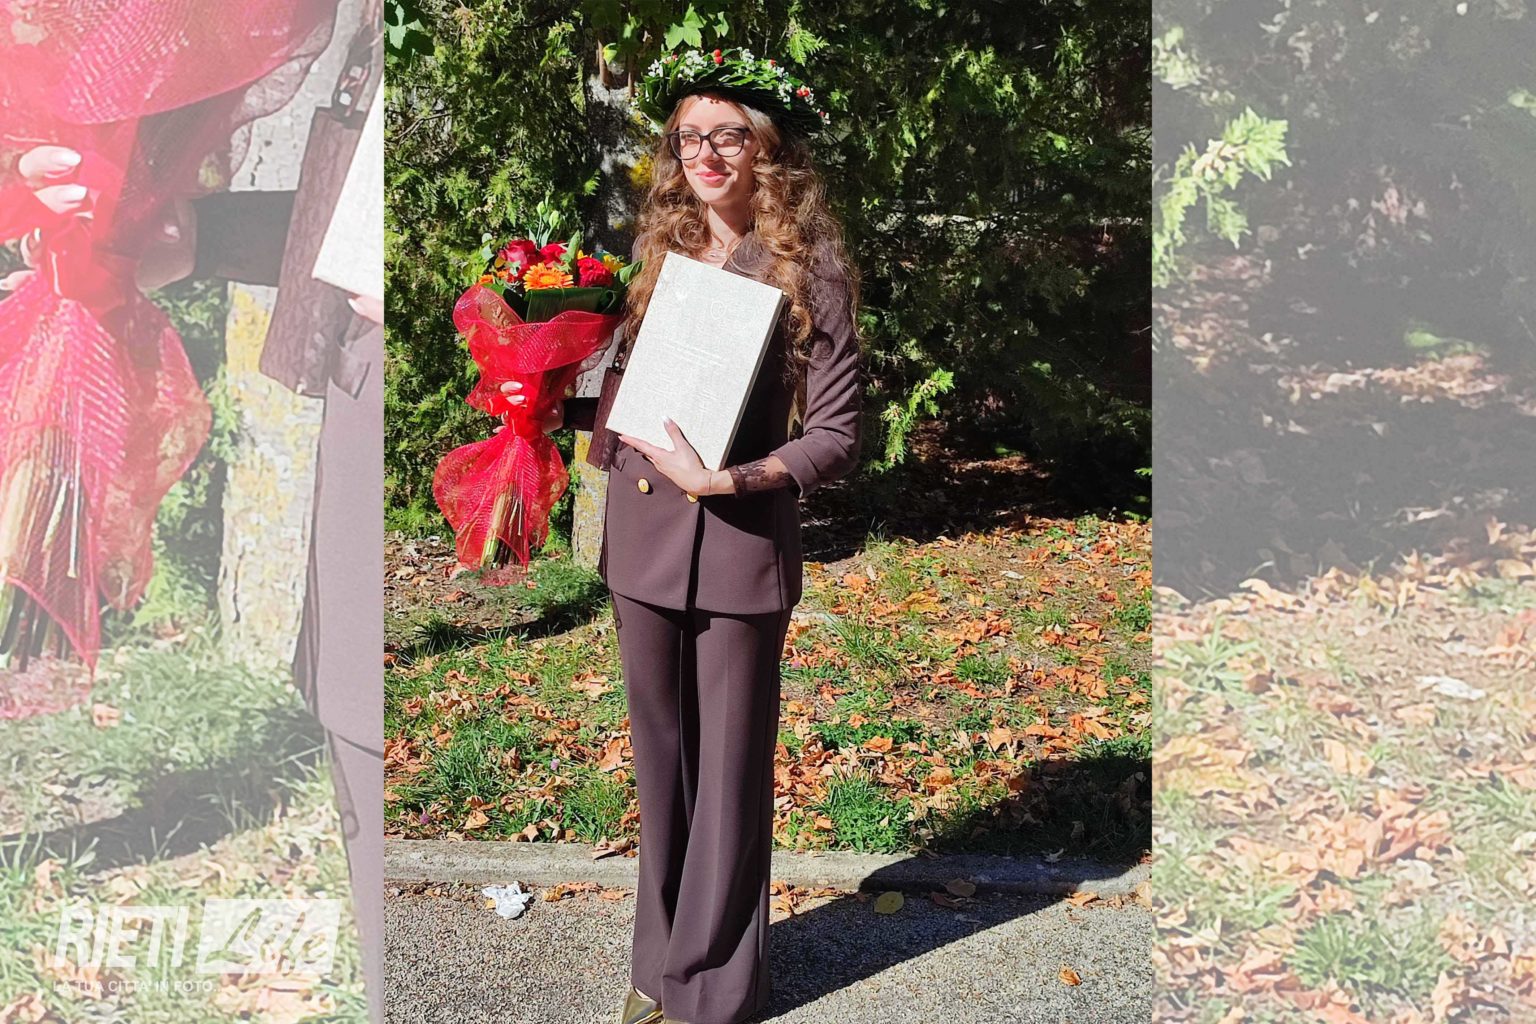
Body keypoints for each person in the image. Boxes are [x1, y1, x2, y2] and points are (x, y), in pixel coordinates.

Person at [501, 47, 861, 1024]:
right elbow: (629, 401)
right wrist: (542, 400)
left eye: (728, 135)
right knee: (662, 766)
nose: (705, 153)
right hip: (644, 543)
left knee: (730, 774)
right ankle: (660, 969)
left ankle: (715, 992)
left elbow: (836, 435)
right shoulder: (658, 257)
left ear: (766, 150)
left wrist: (729, 479)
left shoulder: (813, 273)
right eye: (689, 136)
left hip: (740, 544)